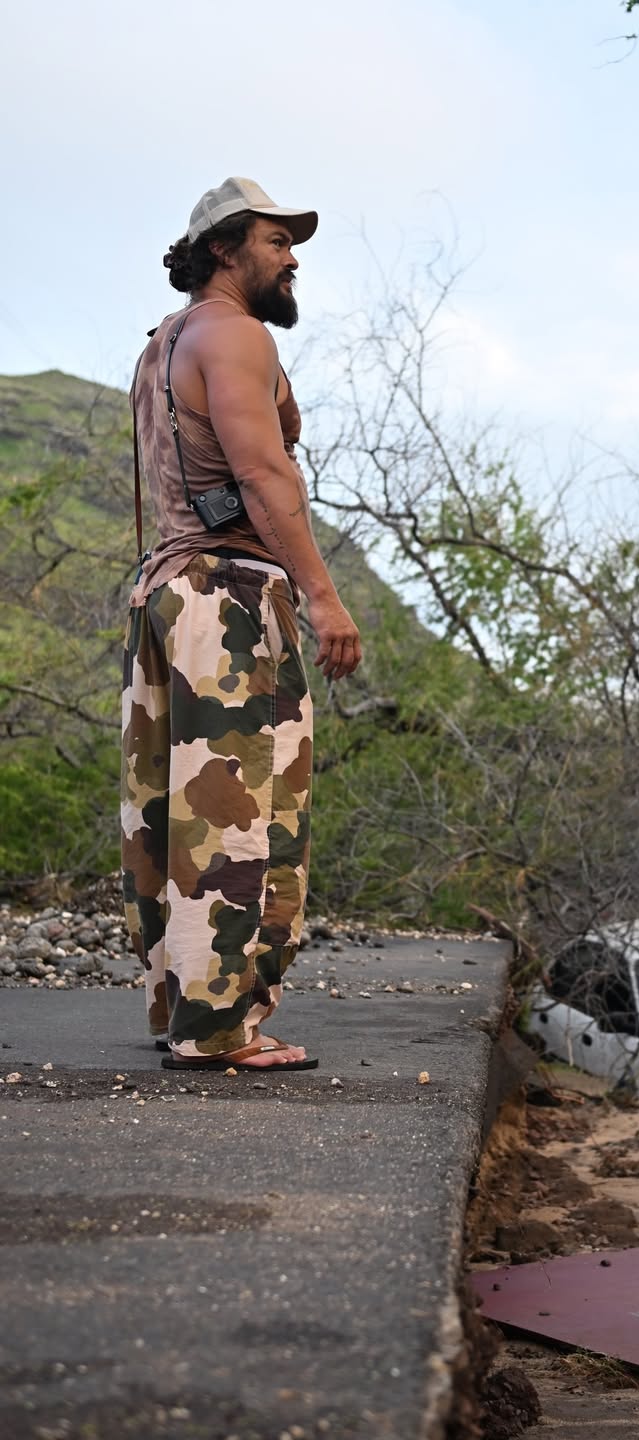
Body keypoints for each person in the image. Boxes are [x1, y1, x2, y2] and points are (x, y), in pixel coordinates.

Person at [120, 177, 361, 1072]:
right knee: (245, 814)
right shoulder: (235, 334)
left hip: (163, 594)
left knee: (163, 814)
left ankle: (177, 1007)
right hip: (226, 597)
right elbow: (264, 478)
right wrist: (324, 597)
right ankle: (219, 1028)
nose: (292, 256)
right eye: (276, 240)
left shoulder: (161, 346)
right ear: (225, 249)